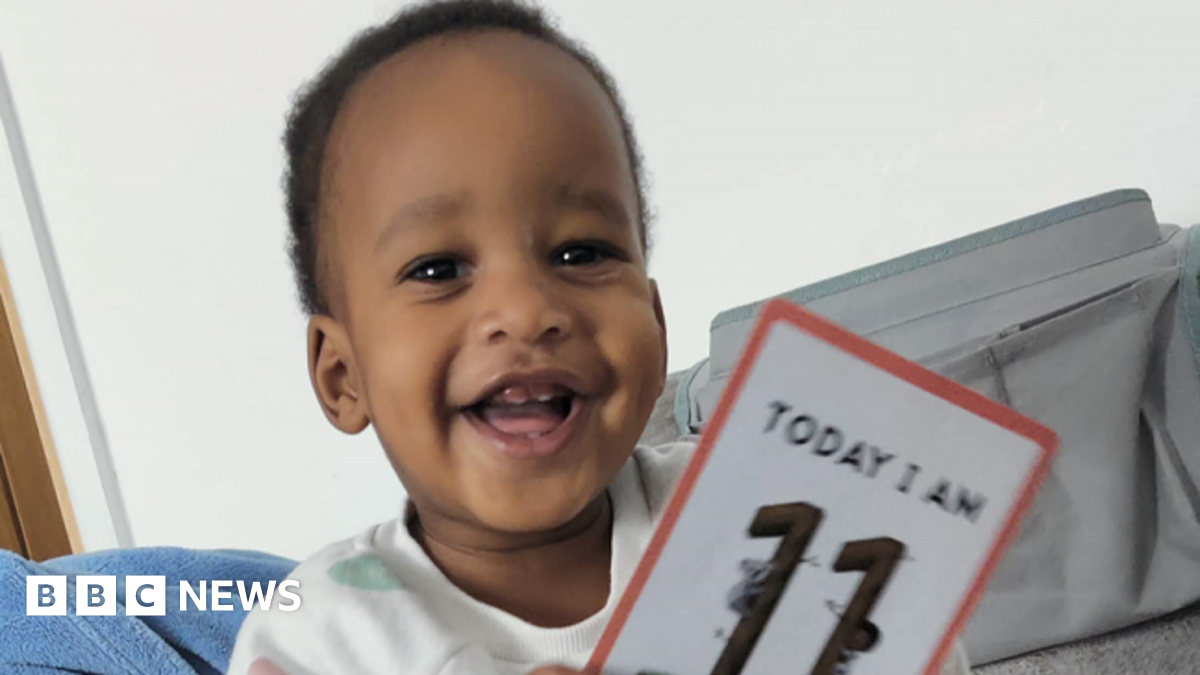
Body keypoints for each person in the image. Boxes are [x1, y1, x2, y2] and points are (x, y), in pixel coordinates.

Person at [228, 1, 972, 673]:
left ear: (654, 323)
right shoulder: (318, 635)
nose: (525, 309)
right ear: (341, 376)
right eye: (439, 268)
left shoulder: (761, 514)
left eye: (580, 252)